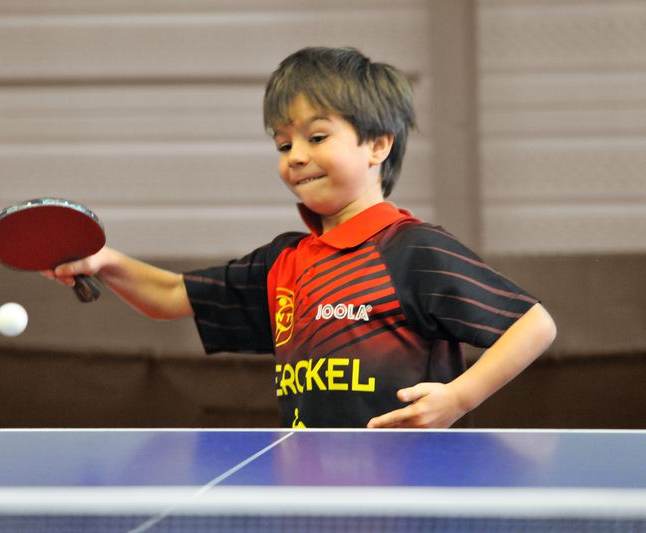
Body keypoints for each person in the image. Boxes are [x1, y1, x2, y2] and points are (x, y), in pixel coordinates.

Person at [44, 46, 556, 429]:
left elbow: (534, 325)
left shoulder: (412, 250)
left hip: (413, 486)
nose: (294, 156)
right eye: (283, 143)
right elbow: (171, 296)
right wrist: (104, 261)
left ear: (377, 144)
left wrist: (459, 398)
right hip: (309, 484)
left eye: (316, 137)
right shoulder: (285, 261)